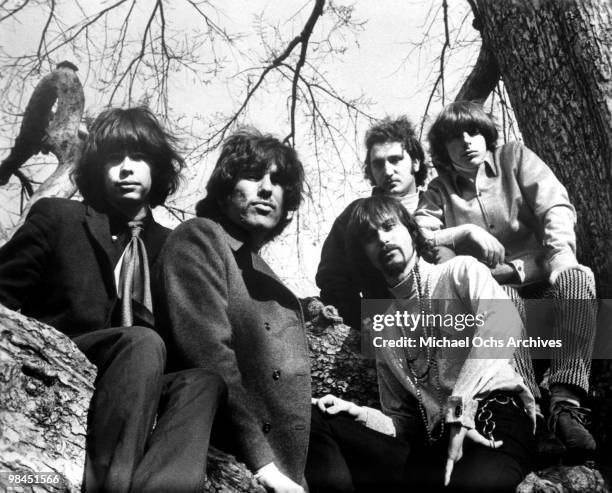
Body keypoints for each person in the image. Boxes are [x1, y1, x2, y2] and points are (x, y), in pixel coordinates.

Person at [0, 107, 224, 492]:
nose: (125, 168)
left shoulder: (175, 248)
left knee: (204, 382)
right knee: (141, 341)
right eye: (113, 159)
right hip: (72, 353)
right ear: (96, 170)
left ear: (157, 168)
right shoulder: (59, 218)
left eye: (137, 157)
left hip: (143, 378)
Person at [308, 195, 536, 492]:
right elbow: (402, 423)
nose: (383, 239)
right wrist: (357, 413)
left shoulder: (460, 272)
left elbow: (504, 325)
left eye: (389, 226)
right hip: (435, 444)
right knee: (318, 419)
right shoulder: (385, 329)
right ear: (363, 255)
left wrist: (458, 410)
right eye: (370, 237)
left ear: (412, 231)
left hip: (492, 419)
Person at [415, 101, 598, 459]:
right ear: (442, 148)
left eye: (474, 131)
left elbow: (555, 205)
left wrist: (560, 255)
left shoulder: (514, 158)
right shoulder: (438, 191)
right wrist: (462, 233)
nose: (467, 141)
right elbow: (419, 236)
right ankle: (532, 415)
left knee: (579, 278)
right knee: (501, 302)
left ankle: (565, 405)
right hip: (496, 297)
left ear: (486, 134)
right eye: (455, 137)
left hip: (547, 283)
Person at [154, 129, 310, 493]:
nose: (267, 189)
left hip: (285, 472)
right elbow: (209, 354)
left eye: (278, 181)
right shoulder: (200, 237)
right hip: (220, 453)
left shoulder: (263, 274)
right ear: (225, 192)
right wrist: (264, 463)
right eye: (254, 176)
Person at [316, 117, 428, 329]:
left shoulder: (439, 204)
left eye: (395, 159)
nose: (387, 171)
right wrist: (363, 322)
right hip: (388, 329)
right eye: (378, 163)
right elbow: (332, 277)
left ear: (415, 162)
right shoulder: (355, 216)